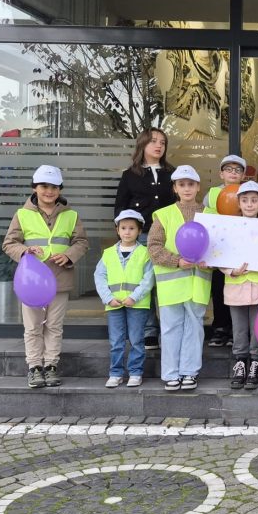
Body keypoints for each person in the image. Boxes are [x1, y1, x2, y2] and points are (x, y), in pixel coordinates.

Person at [2, 165, 89, 389]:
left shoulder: (71, 215)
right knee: (32, 327)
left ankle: (51, 366)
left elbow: (81, 242)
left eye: (53, 187)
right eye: (43, 186)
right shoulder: (22, 214)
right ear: (34, 188)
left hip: (60, 278)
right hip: (31, 282)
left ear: (59, 189)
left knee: (54, 326)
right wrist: (24, 252)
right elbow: (9, 243)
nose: (48, 191)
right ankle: (34, 367)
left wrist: (69, 256)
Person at [147, 165, 211, 392]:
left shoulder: (210, 214)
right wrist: (176, 260)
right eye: (182, 184)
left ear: (198, 187)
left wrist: (210, 260)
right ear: (175, 188)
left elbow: (219, 246)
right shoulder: (163, 215)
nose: (186, 188)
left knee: (194, 328)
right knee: (171, 328)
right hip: (172, 283)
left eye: (191, 184)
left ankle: (189, 372)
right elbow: (153, 247)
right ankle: (171, 374)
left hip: (197, 282)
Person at [114, 128, 176, 351]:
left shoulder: (173, 174)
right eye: (153, 142)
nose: (158, 146)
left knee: (165, 283)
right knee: (146, 284)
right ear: (142, 145)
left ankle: (170, 328)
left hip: (168, 237)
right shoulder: (130, 175)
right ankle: (150, 331)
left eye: (162, 142)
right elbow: (120, 208)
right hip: (141, 236)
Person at [221, 181, 258, 390]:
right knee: (239, 329)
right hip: (235, 285)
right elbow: (219, 254)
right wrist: (230, 271)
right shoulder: (229, 226)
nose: (249, 204)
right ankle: (240, 363)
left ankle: (255, 363)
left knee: (257, 328)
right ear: (239, 203)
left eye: (254, 200)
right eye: (245, 200)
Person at [93, 210, 153, 388]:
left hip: (137, 304)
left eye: (132, 228)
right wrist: (107, 298)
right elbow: (100, 276)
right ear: (117, 230)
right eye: (123, 228)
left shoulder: (145, 253)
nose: (127, 232)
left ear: (139, 231)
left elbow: (149, 279)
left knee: (136, 340)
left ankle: (135, 372)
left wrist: (134, 297)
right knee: (116, 341)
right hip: (114, 304)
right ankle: (116, 372)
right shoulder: (108, 253)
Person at [203, 154, 247, 348]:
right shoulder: (211, 194)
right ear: (221, 173)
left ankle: (235, 331)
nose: (233, 173)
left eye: (237, 170)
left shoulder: (248, 192)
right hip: (219, 247)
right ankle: (220, 328)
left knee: (238, 290)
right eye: (228, 169)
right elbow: (206, 220)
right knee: (219, 289)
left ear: (243, 175)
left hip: (241, 247)